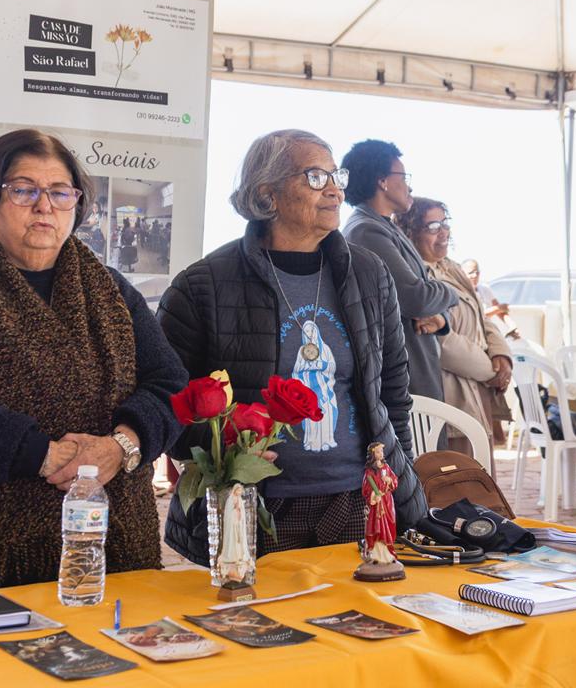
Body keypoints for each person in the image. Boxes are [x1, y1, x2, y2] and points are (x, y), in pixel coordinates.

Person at [0, 129, 188, 592]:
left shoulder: (112, 290)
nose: (45, 206)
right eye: (23, 190)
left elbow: (170, 385)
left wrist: (120, 446)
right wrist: (39, 454)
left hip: (108, 541)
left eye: (60, 192)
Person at [158, 129, 426, 566]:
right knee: (259, 611)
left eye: (336, 176)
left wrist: (398, 475)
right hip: (255, 507)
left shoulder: (369, 273)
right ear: (268, 194)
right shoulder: (202, 285)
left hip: (358, 499)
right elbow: (166, 403)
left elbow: (393, 390)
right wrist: (229, 458)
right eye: (316, 177)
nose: (335, 190)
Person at [340, 140, 457, 410]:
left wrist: (440, 317)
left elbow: (425, 296)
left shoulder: (385, 227)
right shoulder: (366, 231)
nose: (409, 187)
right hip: (403, 383)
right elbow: (416, 297)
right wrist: (451, 293)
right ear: (382, 181)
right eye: (403, 177)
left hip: (418, 371)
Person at [397, 199, 512, 461]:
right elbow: (441, 343)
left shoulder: (452, 268)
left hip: (478, 390)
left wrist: (501, 355)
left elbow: (481, 316)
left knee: (483, 478)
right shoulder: (418, 280)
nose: (443, 232)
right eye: (433, 226)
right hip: (453, 398)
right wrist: (491, 372)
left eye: (445, 223)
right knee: (459, 478)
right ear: (410, 232)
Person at [462, 258, 520, 339]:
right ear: (462, 274)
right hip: (471, 333)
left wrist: (511, 325)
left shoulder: (485, 289)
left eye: (477, 272)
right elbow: (475, 315)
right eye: (471, 273)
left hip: (487, 330)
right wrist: (497, 309)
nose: (475, 275)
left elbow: (499, 310)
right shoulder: (460, 292)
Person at [362, 443, 398, 564]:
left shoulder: (386, 467)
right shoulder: (369, 471)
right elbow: (366, 488)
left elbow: (395, 480)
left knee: (390, 523)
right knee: (376, 526)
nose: (381, 454)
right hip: (376, 502)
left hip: (387, 500)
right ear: (372, 454)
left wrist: (390, 480)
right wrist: (374, 494)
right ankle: (376, 554)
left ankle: (388, 553)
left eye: (381, 451)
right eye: (378, 452)